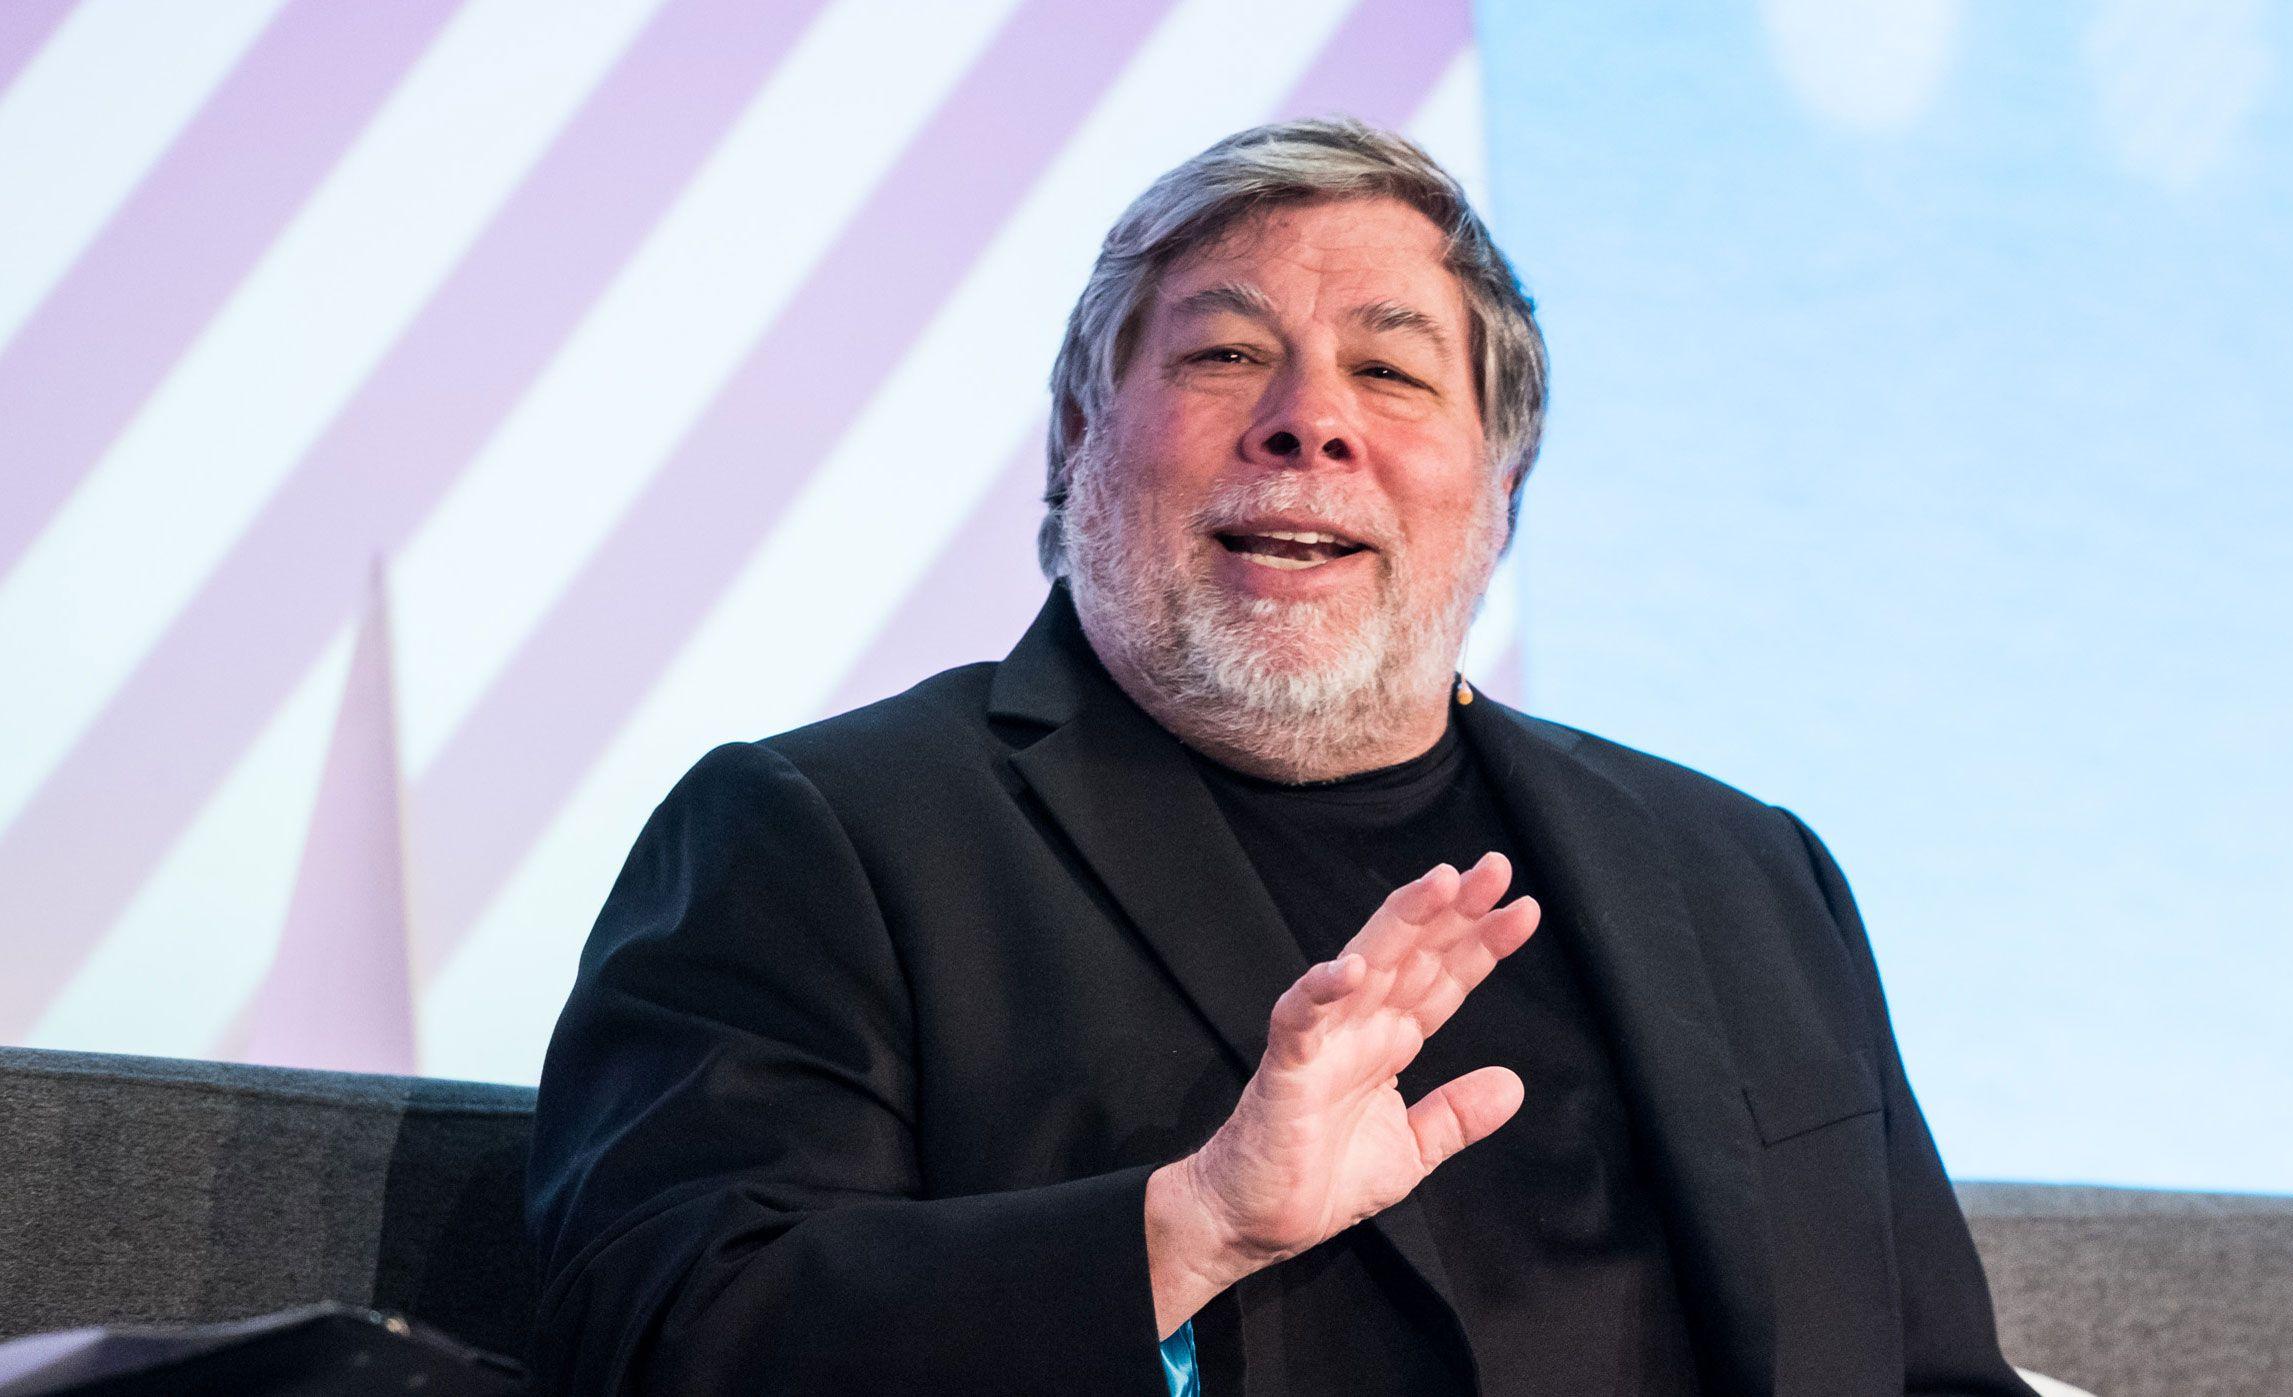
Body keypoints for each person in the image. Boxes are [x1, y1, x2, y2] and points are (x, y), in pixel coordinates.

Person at [525, 118, 2037, 1396]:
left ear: (1502, 485)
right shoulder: (820, 833)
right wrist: (1191, 1227)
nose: (1309, 423)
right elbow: (669, 1335)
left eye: (1392, 372)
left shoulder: (1744, 871)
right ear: (1075, 434)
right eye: (1228, 353)